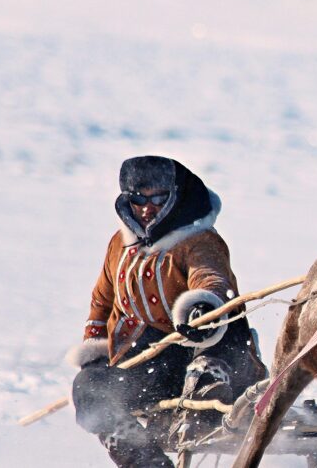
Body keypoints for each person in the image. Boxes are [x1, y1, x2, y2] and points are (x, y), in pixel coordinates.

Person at [68, 156, 266, 467]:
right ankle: (146, 460)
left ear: (175, 196)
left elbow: (212, 278)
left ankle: (207, 399)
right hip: (148, 362)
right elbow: (102, 302)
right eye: (138, 199)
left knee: (206, 365)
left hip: (206, 350)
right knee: (89, 391)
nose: (147, 208)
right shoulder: (120, 245)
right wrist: (95, 352)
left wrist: (203, 307)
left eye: (158, 198)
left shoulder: (198, 240)